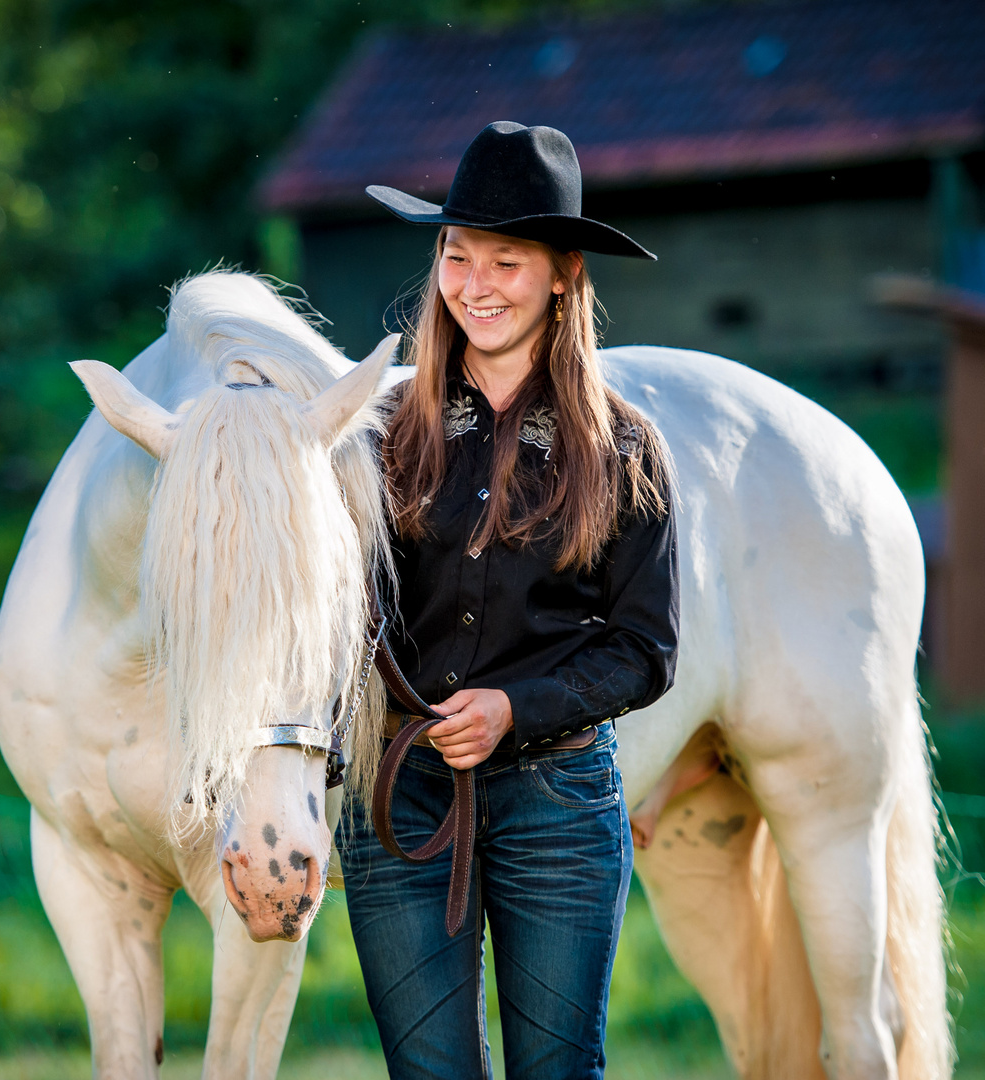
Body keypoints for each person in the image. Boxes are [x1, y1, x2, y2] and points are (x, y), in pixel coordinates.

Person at [337, 121, 681, 1080]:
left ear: (564, 273)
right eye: (455, 256)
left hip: (558, 800)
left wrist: (511, 708)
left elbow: (644, 649)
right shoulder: (375, 438)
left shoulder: (622, 448)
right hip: (400, 793)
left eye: (506, 262)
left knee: (557, 1072)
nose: (474, 284)